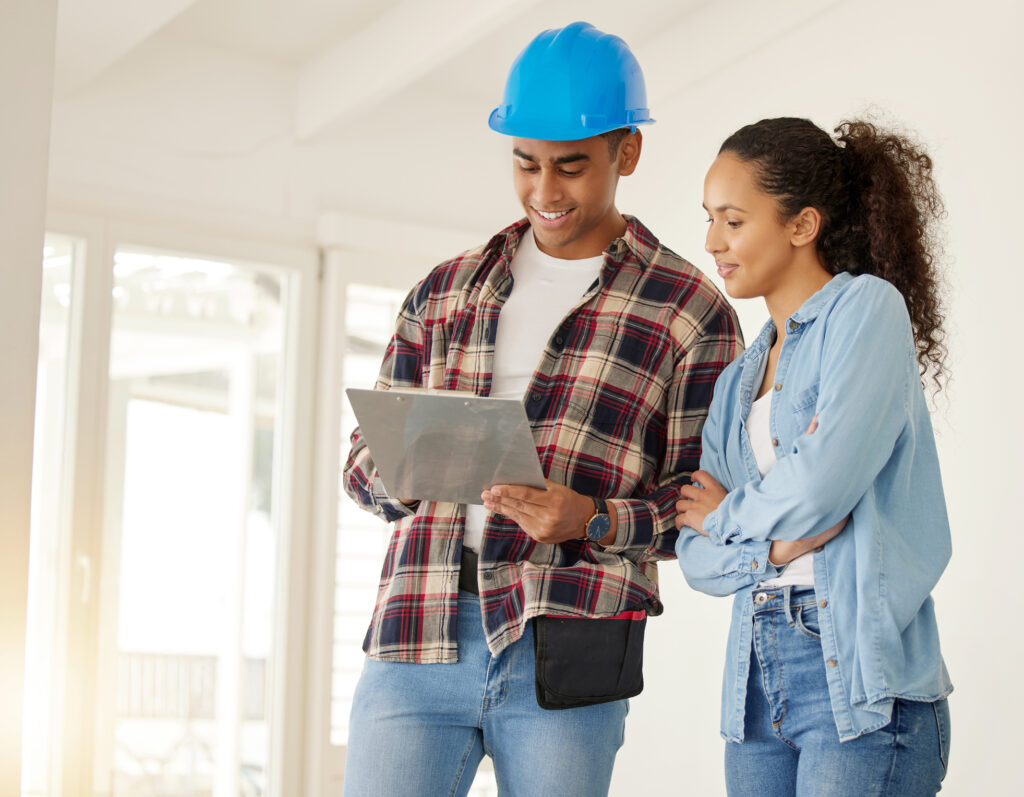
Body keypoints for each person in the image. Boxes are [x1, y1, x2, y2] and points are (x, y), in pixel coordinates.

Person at [341, 21, 742, 797]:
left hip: (569, 641)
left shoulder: (688, 311)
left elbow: (701, 504)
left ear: (626, 153)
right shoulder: (447, 288)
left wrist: (590, 518)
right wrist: (409, 464)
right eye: (525, 164)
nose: (545, 192)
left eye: (571, 167)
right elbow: (361, 467)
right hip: (420, 628)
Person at [674, 116, 953, 796]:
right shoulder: (739, 378)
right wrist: (772, 549)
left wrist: (731, 515)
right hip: (755, 683)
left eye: (733, 221)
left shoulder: (866, 311)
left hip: (860, 684)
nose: (713, 242)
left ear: (802, 225)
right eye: (709, 220)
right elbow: (693, 551)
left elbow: (822, 486)